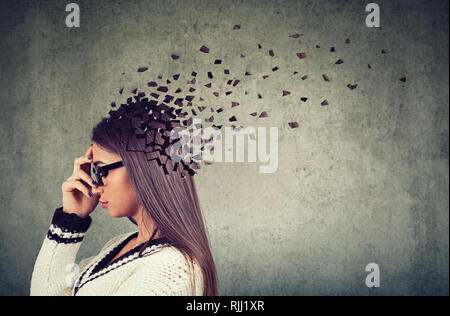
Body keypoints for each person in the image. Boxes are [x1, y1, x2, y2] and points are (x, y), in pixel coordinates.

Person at [30, 116, 218, 296]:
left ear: (141, 168)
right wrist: (71, 219)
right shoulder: (120, 244)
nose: (95, 185)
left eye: (101, 170)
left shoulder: (170, 270)